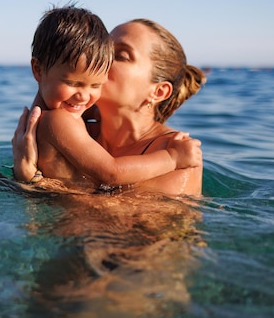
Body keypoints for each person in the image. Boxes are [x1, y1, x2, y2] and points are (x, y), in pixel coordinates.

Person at [13, 17, 206, 196]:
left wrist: (34, 181)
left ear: (158, 92)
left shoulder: (181, 154)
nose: (98, 60)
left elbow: (119, 225)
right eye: (103, 49)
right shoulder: (76, 131)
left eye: (120, 55)